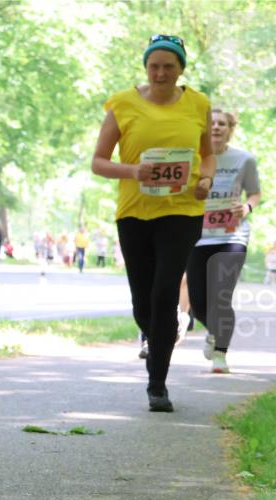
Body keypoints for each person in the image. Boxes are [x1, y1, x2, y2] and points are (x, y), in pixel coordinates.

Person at [91, 34, 214, 412]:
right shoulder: (123, 104)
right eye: (154, 66)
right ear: (146, 68)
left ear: (181, 70)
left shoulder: (198, 104)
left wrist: (206, 180)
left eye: (169, 67)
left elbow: (206, 156)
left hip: (181, 212)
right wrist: (134, 170)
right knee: (143, 301)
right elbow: (98, 162)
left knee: (164, 295)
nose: (161, 73)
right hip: (134, 213)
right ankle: (157, 330)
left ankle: (157, 383)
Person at [185, 108, 262, 373]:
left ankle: (220, 354)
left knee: (221, 295)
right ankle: (213, 331)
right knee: (197, 301)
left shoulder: (244, 159)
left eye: (222, 124)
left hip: (232, 235)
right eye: (211, 123)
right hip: (198, 237)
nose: (216, 127)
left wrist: (247, 208)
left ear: (230, 128)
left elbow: (254, 193)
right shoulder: (192, 158)